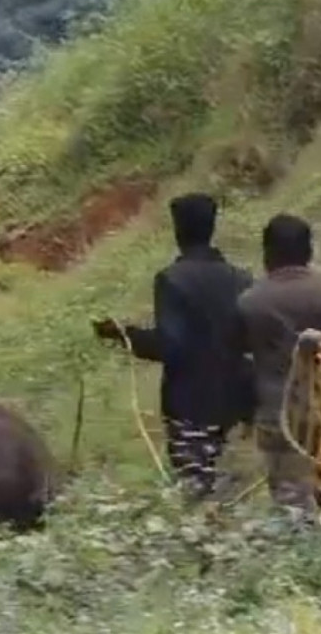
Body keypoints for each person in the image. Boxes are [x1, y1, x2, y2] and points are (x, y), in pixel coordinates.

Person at [93, 193, 255, 500]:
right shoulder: (241, 278)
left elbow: (172, 347)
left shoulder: (171, 280)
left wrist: (124, 335)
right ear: (212, 227)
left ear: (178, 230)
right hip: (238, 401)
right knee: (234, 493)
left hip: (191, 405)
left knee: (195, 492)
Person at [234, 213, 321, 521]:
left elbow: (239, 352)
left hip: (277, 416)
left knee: (290, 503)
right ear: (308, 251)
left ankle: (300, 554)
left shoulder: (249, 302)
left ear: (267, 252)